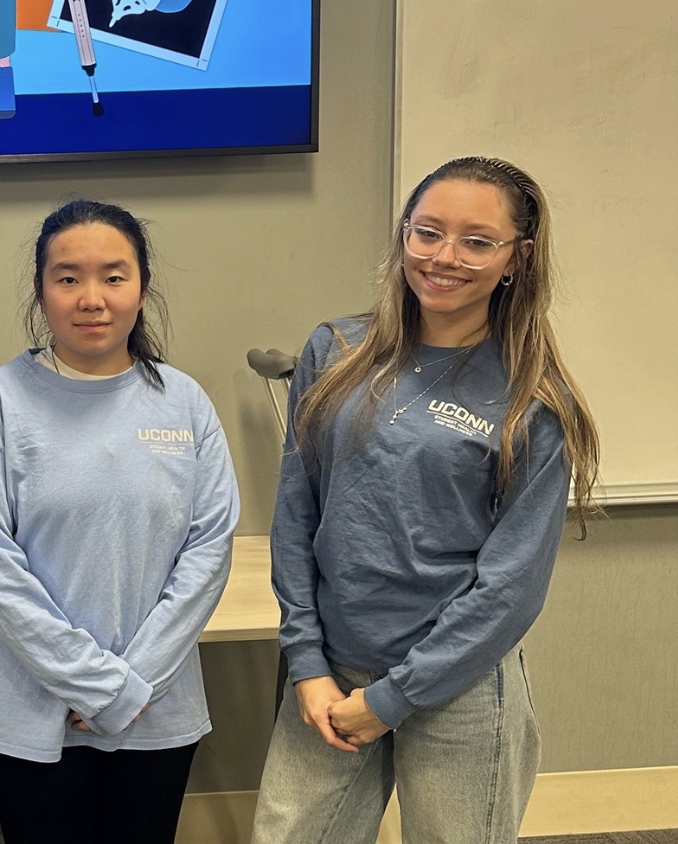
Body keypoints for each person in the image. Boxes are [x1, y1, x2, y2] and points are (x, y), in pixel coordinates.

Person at [250, 156, 601, 844]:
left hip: (457, 685)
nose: (445, 258)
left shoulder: (534, 403)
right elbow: (296, 516)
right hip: (330, 673)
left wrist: (396, 698)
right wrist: (307, 661)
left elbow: (511, 589)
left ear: (518, 259)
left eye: (477, 241)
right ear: (402, 235)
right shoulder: (336, 351)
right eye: (427, 232)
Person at [0, 199, 240, 844]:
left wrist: (126, 688)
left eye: (114, 276)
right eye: (67, 278)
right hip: (28, 713)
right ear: (40, 292)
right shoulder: (0, 400)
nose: (92, 298)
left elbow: (208, 552)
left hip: (153, 706)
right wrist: (100, 685)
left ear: (142, 289)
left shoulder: (184, 400)